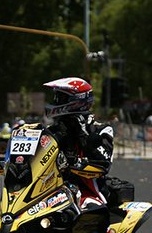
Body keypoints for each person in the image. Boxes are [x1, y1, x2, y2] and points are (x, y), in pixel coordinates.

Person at [43, 77, 114, 211]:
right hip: (49, 188)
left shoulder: (101, 129)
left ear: (76, 100)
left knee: (93, 214)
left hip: (86, 191)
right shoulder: (54, 130)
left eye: (60, 98)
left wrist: (83, 133)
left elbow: (103, 163)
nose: (55, 102)